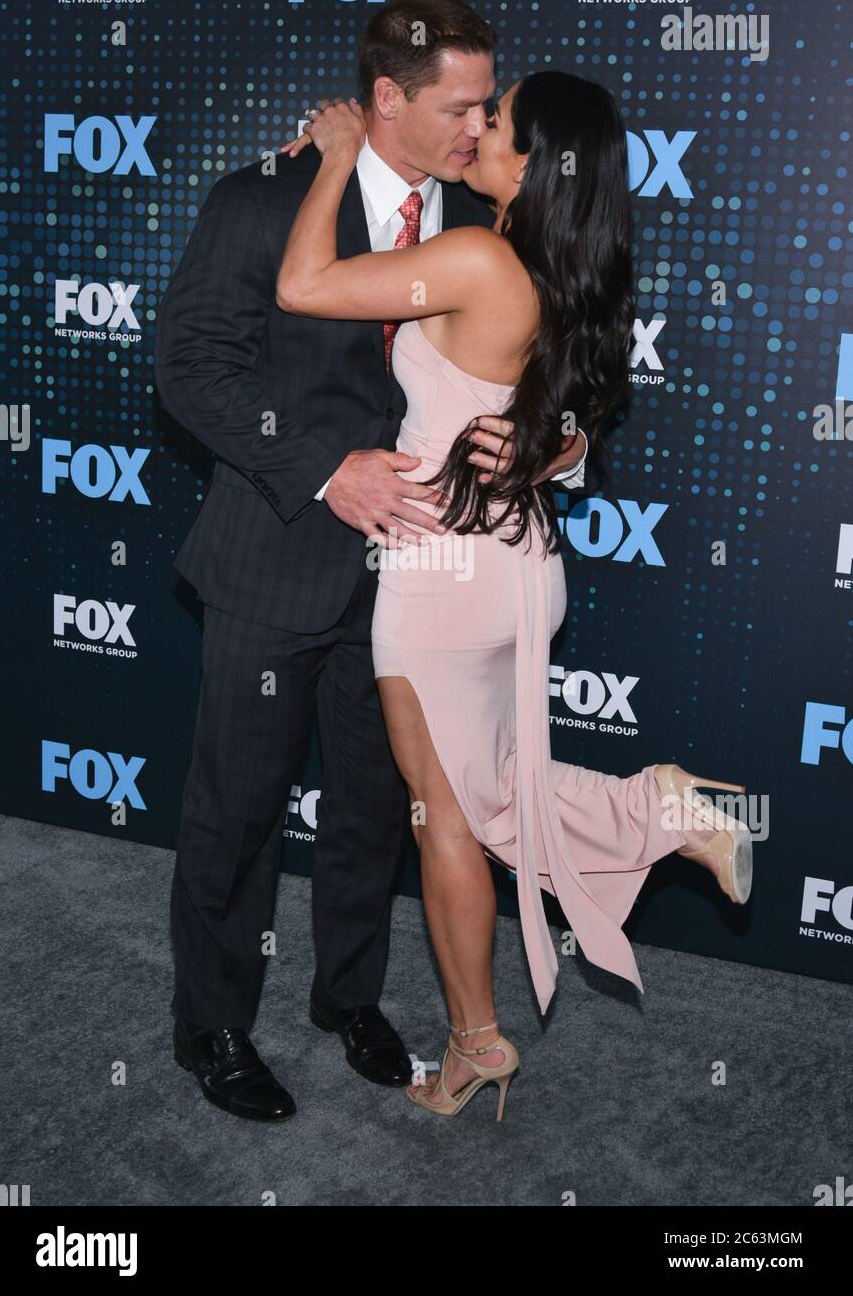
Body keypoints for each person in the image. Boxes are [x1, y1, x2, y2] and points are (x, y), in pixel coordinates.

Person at [275, 70, 754, 1121]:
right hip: (517, 566)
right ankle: (658, 813)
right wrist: (561, 447)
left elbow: (303, 285)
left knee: (444, 818)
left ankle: (475, 1041)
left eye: (494, 121)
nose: (475, 128)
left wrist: (339, 156)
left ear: (534, 163)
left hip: (443, 574)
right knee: (485, 794)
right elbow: (565, 423)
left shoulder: (480, 257)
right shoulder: (561, 268)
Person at [154, 0, 585, 1123]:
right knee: (239, 809)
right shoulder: (267, 196)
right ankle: (213, 1025)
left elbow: (550, 376)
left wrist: (554, 445)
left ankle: (347, 997)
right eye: (459, 107)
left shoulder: (485, 224)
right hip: (277, 554)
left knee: (374, 809)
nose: (477, 129)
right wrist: (321, 469)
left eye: (488, 109)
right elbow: (188, 367)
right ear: (387, 97)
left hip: (418, 581)